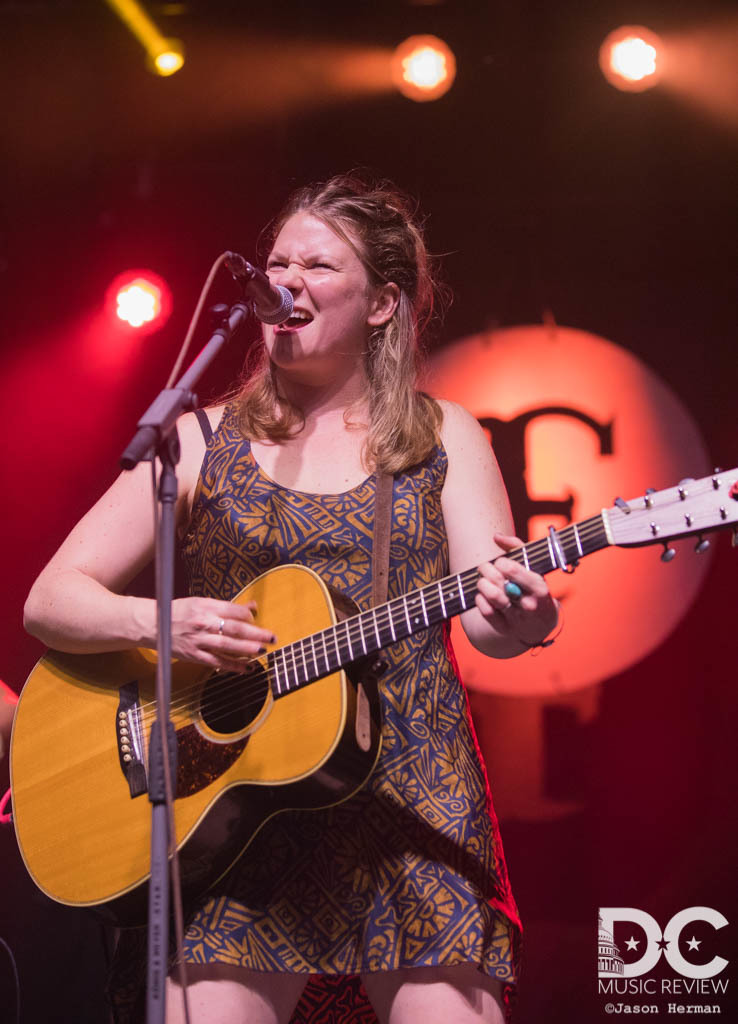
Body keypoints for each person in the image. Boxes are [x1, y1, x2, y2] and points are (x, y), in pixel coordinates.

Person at [23, 173, 559, 1024]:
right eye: (276, 262)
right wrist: (160, 623)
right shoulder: (199, 438)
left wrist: (521, 620)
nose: (286, 280)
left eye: (317, 264)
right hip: (230, 809)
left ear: (382, 305)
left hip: (408, 796)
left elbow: (492, 621)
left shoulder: (442, 432)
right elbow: (50, 598)